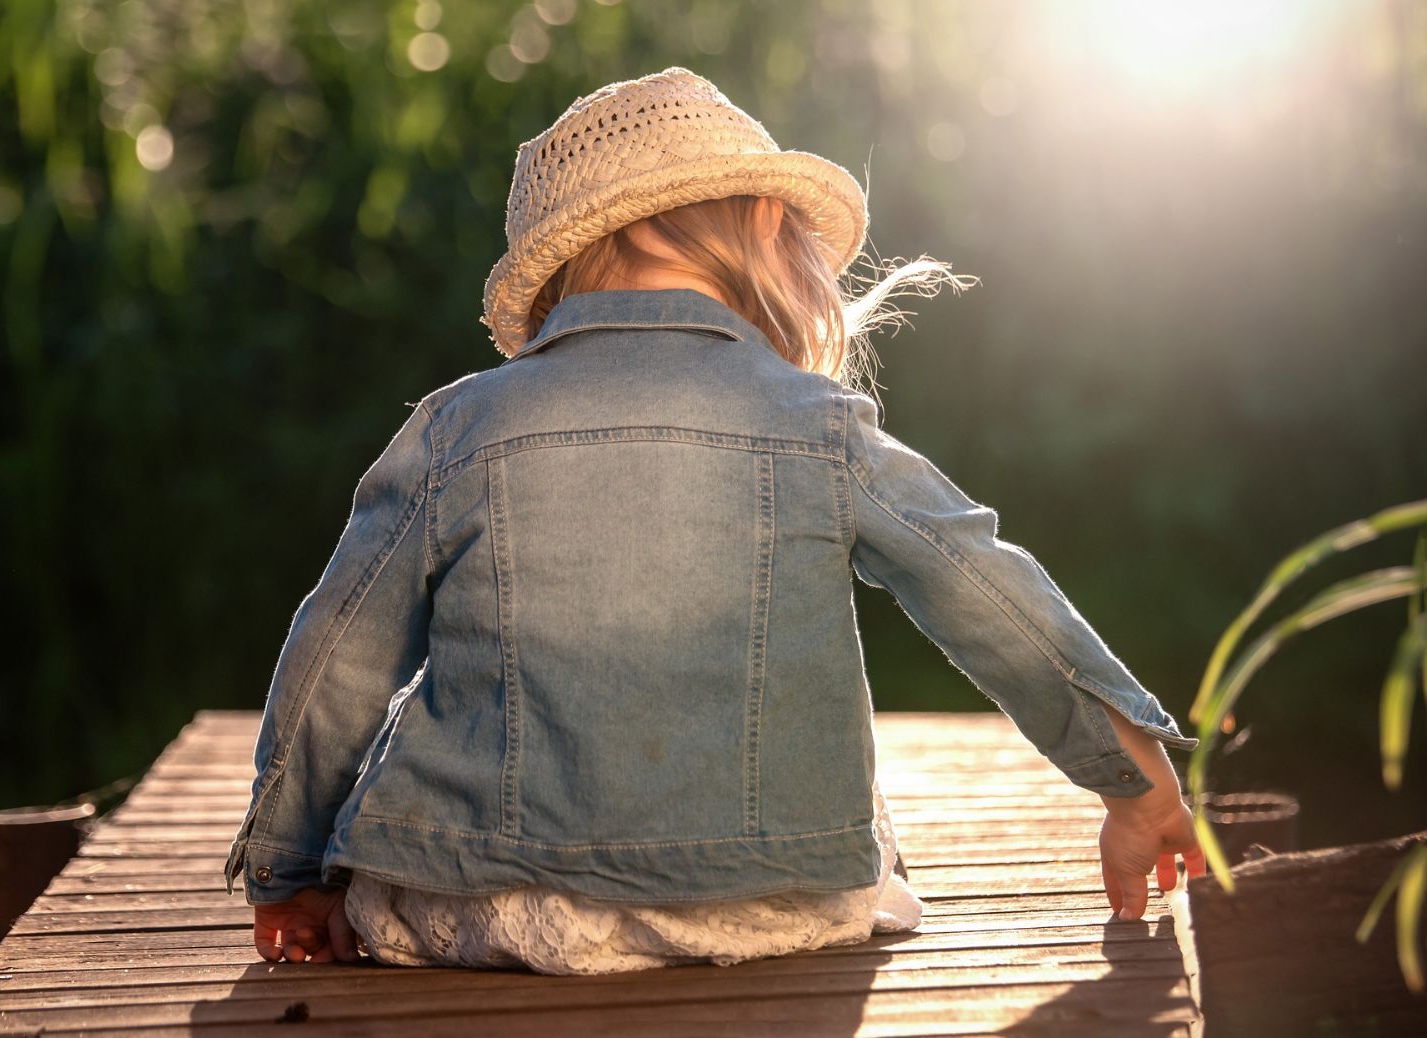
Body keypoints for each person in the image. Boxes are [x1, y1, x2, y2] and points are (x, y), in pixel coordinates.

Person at [225, 67, 1206, 973]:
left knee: (410, 722)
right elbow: (986, 591)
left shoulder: (458, 429)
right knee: (831, 763)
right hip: (772, 903)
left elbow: (339, 657)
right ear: (767, 226)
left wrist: (287, 873)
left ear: (563, 271)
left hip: (491, 907)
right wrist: (1134, 782)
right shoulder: (817, 427)